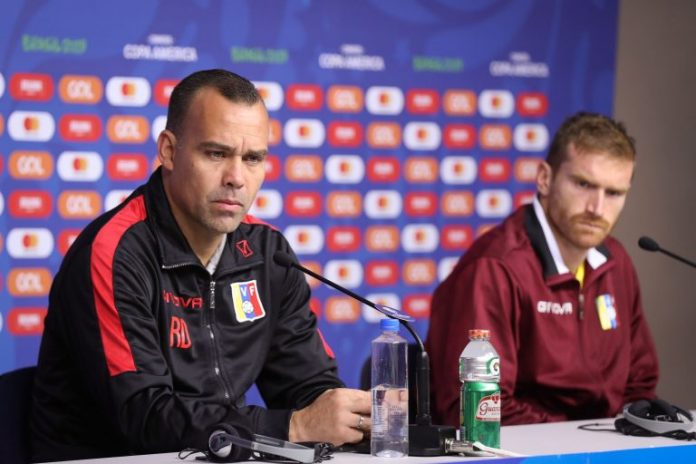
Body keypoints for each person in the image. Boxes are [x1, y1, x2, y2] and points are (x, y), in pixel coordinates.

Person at [30, 69, 371, 462]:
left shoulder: (266, 252)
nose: (236, 178)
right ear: (169, 151)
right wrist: (293, 428)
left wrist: (353, 418)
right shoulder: (116, 252)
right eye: (216, 153)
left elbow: (308, 385)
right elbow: (144, 416)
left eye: (253, 158)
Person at [425, 112, 659, 426]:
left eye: (614, 193)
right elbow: (477, 410)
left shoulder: (616, 263)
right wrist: (583, 439)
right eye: (583, 184)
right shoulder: (495, 268)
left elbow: (639, 386)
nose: (597, 208)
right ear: (545, 179)